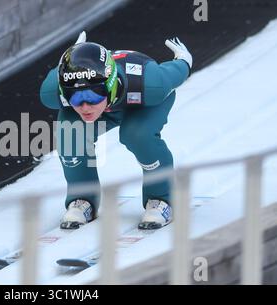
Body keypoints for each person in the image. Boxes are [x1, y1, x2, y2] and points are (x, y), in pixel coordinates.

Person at [39, 31, 192, 230]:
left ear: (110, 86)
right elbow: (66, 78)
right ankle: (82, 199)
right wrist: (72, 55)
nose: (85, 106)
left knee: (137, 134)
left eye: (93, 95)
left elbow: (178, 70)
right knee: (70, 135)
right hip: (112, 102)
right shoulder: (52, 91)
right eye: (74, 98)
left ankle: (161, 199)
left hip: (143, 102)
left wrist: (183, 59)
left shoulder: (151, 83)